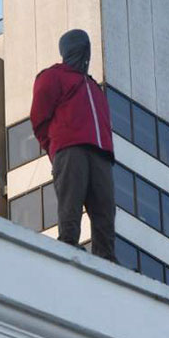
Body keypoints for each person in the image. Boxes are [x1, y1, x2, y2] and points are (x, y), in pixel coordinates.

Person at [30, 29, 116, 261]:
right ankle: (68, 244)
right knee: (71, 201)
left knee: (105, 210)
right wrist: (55, 148)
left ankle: (106, 257)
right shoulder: (53, 76)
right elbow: (39, 118)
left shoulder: (93, 87)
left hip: (101, 153)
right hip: (71, 149)